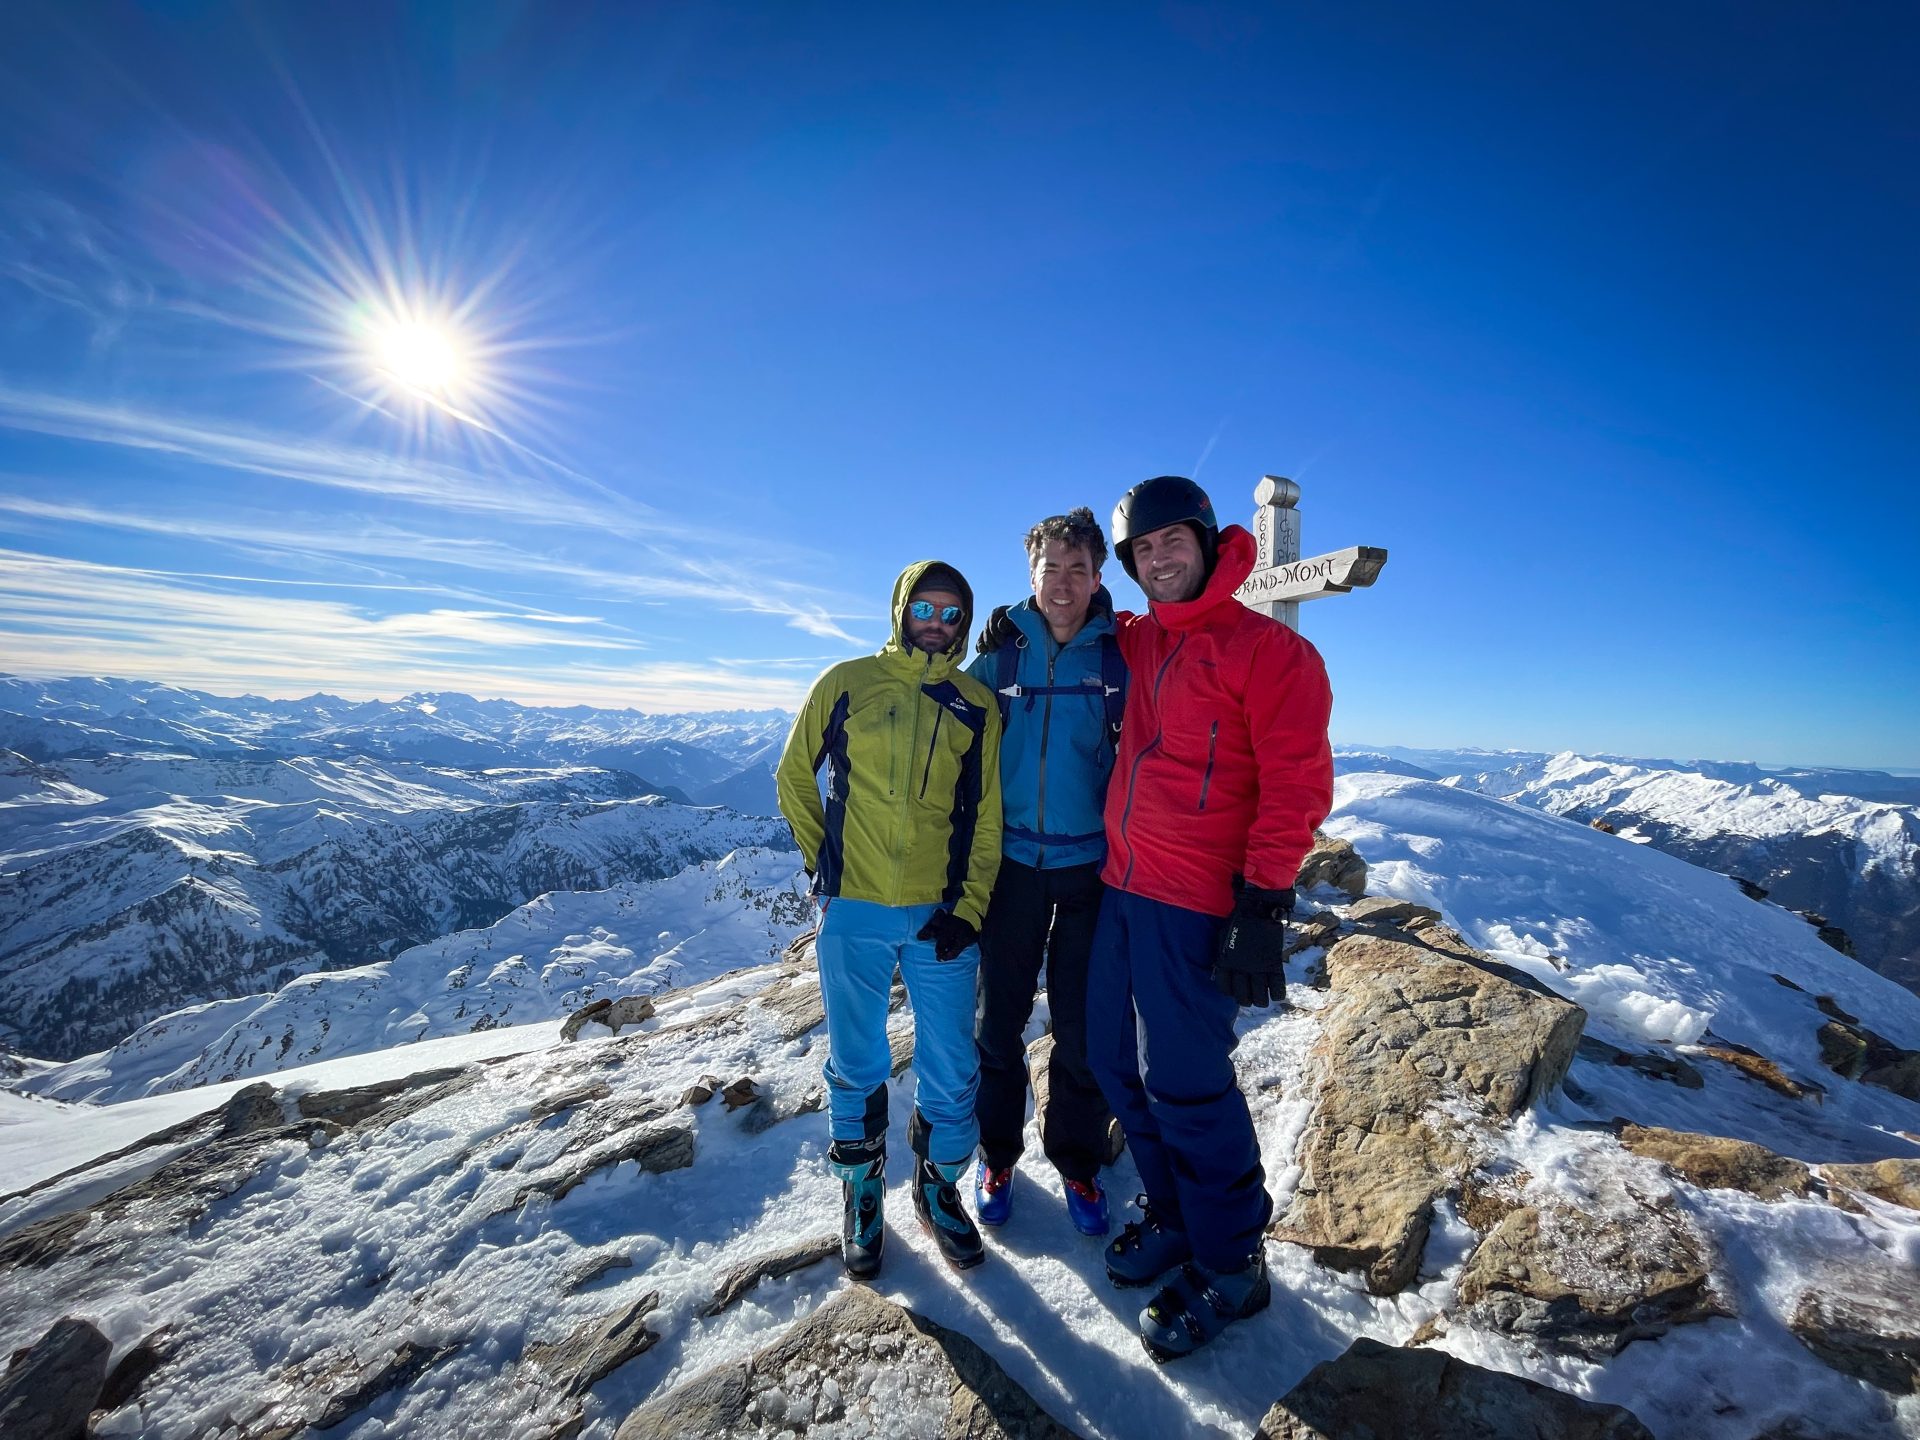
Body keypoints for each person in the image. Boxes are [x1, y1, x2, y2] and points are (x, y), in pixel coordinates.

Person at [1086, 475, 1333, 1361]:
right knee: (1113, 1060)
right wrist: (1014, 622)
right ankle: (1176, 1212)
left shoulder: (1271, 653)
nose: (1158, 559)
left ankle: (1233, 1264)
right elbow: (1077, 623)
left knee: (1187, 1084)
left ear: (1204, 537)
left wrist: (1263, 903)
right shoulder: (1141, 639)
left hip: (1195, 902)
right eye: (1141, 551)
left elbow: (1297, 782)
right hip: (1121, 886)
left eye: (1170, 542)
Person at [775, 560, 1004, 1279]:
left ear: (964, 624)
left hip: (940, 916)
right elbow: (792, 777)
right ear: (901, 608)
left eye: (952, 613)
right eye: (925, 607)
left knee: (952, 1064)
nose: (937, 621)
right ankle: (862, 1189)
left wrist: (969, 907)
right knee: (857, 1060)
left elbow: (987, 816)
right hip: (856, 913)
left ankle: (938, 1187)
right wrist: (829, 870)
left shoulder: (974, 703)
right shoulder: (846, 683)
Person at [966, 507, 1128, 1236]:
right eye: (1050, 570)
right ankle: (996, 1156)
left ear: (1098, 577)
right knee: (998, 1023)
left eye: (1077, 570)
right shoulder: (1000, 659)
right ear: (1030, 576)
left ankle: (1078, 1161)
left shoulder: (1120, 659)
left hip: (1093, 869)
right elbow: (942, 725)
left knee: (1083, 1027)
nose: (1063, 584)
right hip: (1010, 870)